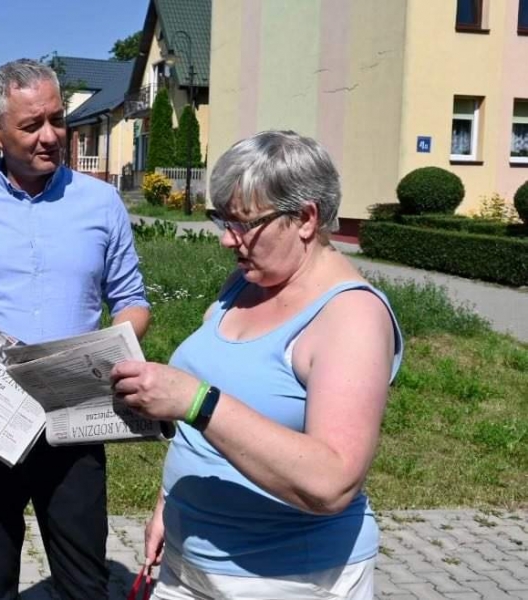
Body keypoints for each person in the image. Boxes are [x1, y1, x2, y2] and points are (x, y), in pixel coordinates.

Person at [110, 131, 404, 600]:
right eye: (223, 219)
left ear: (305, 219)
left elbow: (333, 481)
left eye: (244, 223)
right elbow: (207, 426)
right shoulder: (245, 283)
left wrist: (196, 401)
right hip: (189, 562)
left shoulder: (351, 316)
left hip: (287, 579)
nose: (227, 239)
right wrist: (169, 502)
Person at [0, 58, 150, 600]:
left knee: (85, 585)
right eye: (32, 125)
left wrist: (115, 343)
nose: (51, 136)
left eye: (57, 120)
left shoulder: (100, 203)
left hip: (73, 418)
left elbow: (132, 301)